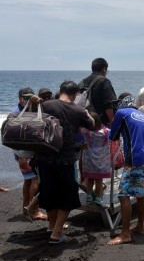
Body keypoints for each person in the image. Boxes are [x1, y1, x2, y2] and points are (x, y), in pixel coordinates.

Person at [35, 81, 95, 244]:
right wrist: (87, 113)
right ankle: (56, 234)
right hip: (65, 159)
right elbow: (92, 125)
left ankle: (52, 226)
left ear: (60, 91)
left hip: (44, 157)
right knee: (67, 197)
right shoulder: (77, 109)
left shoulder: (47, 105)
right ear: (75, 95)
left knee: (49, 193)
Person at [108, 94, 144, 245]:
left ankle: (125, 233)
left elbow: (113, 136)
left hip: (134, 158)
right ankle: (140, 226)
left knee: (123, 194)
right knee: (140, 195)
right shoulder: (142, 115)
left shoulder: (122, 113)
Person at [11, 87, 47, 221]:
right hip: (24, 154)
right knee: (35, 180)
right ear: (19, 98)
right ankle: (34, 210)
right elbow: (12, 136)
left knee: (28, 181)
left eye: (29, 97)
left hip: (23, 153)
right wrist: (20, 157)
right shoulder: (17, 113)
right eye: (25, 98)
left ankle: (25, 207)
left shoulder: (24, 110)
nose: (27, 100)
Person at [80, 112, 111, 206]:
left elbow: (79, 128)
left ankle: (89, 196)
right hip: (101, 161)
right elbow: (114, 135)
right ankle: (98, 197)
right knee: (99, 180)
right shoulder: (106, 132)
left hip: (89, 161)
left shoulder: (86, 132)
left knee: (89, 179)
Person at [78, 57, 117, 126]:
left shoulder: (82, 82)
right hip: (99, 123)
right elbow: (108, 104)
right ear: (104, 69)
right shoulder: (104, 81)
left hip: (84, 122)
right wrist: (113, 123)